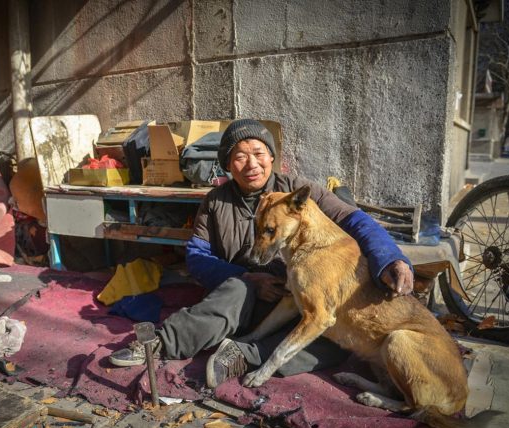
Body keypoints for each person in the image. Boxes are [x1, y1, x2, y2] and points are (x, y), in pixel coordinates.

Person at [108, 119, 413, 388]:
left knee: (335, 337)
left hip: (293, 300)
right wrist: (248, 278)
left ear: (271, 157)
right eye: (240, 157)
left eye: (258, 154)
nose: (251, 164)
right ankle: (159, 344)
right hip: (240, 301)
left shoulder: (300, 192)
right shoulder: (215, 202)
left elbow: (354, 219)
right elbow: (197, 255)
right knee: (235, 291)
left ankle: (244, 355)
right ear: (228, 164)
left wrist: (390, 258)